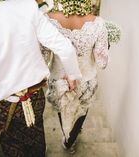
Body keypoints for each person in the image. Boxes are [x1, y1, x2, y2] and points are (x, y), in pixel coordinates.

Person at [0, 0, 81, 156]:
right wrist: (72, 75)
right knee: (37, 135)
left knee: (11, 145)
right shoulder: (26, 6)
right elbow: (65, 48)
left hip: (3, 107)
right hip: (35, 98)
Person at [43, 0, 109, 154]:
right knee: (82, 108)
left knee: (63, 107)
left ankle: (67, 136)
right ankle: (70, 141)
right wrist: (106, 47)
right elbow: (102, 62)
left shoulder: (48, 20)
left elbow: (44, 55)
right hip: (86, 79)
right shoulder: (98, 24)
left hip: (59, 78)